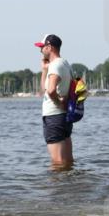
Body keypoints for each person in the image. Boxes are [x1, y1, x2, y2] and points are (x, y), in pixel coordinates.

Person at [38, 34, 74, 168]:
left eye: (42, 48)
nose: (40, 51)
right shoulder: (64, 63)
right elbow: (44, 90)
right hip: (64, 117)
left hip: (54, 116)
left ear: (49, 47)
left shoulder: (55, 66)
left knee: (57, 162)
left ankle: (58, 188)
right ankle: (69, 185)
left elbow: (51, 90)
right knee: (68, 160)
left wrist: (59, 103)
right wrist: (44, 70)